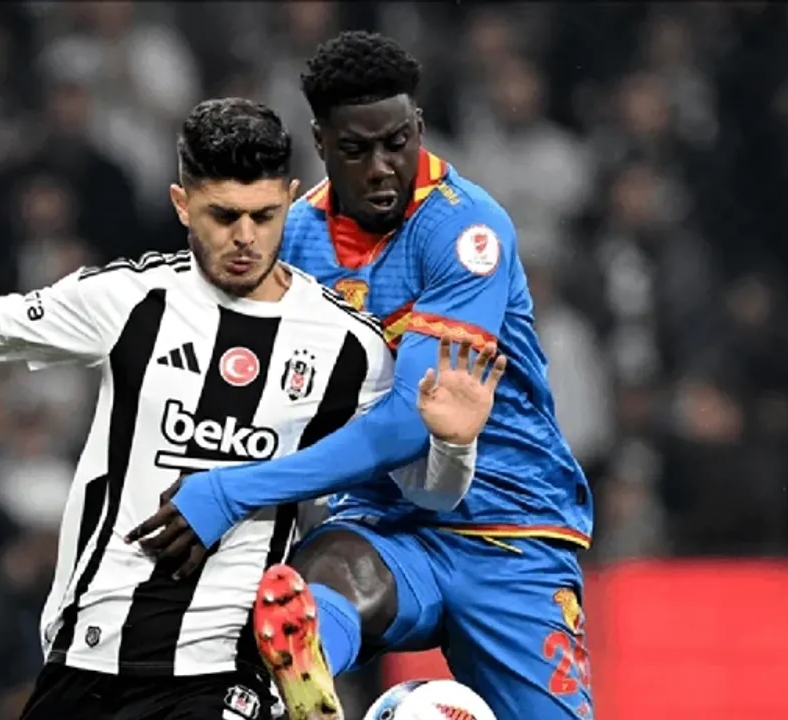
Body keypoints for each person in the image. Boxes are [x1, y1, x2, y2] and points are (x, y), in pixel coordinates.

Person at [0, 97, 506, 720]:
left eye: (263, 215)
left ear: (289, 201)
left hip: (223, 668)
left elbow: (425, 495)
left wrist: (453, 446)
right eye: (222, 216)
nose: (245, 238)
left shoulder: (348, 348)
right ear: (181, 204)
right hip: (88, 652)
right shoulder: (132, 301)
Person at [128, 33, 595, 720]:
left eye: (396, 144)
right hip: (383, 522)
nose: (381, 169)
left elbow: (409, 426)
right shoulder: (292, 240)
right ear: (321, 142)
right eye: (356, 150)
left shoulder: (466, 232)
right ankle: (306, 680)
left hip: (508, 526)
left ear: (419, 129)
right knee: (318, 582)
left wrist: (230, 492)